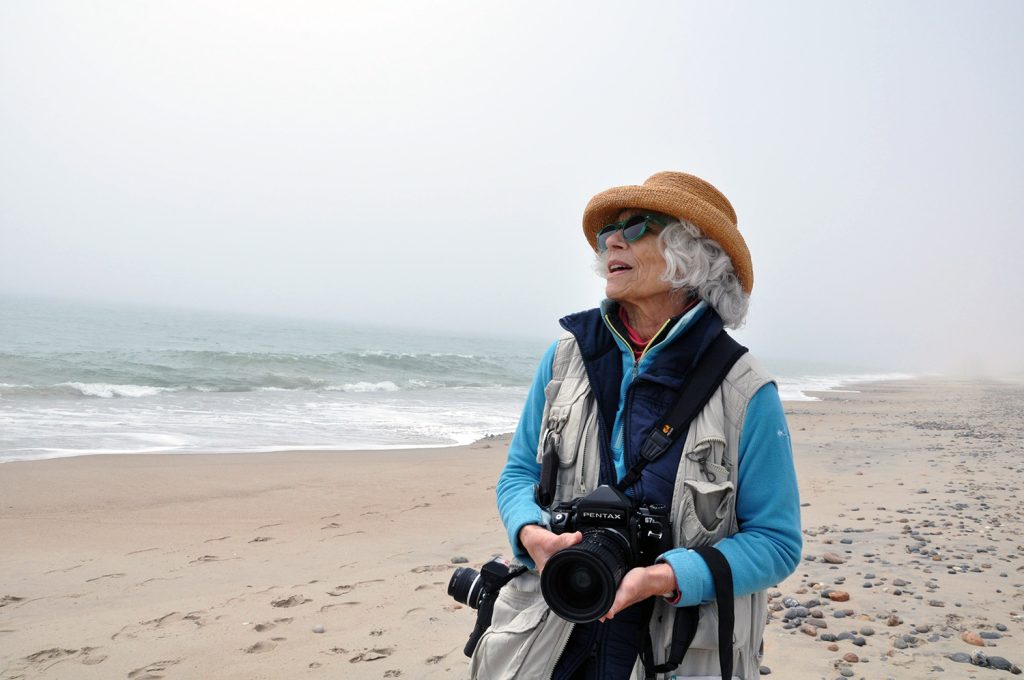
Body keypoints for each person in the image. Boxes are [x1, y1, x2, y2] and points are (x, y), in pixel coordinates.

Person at [490, 172, 802, 679]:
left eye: (636, 227)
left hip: (675, 654)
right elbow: (519, 474)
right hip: (554, 634)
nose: (612, 239)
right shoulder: (564, 359)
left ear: (693, 255)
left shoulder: (747, 392)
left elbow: (777, 541)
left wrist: (667, 576)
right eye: (607, 232)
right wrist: (531, 534)